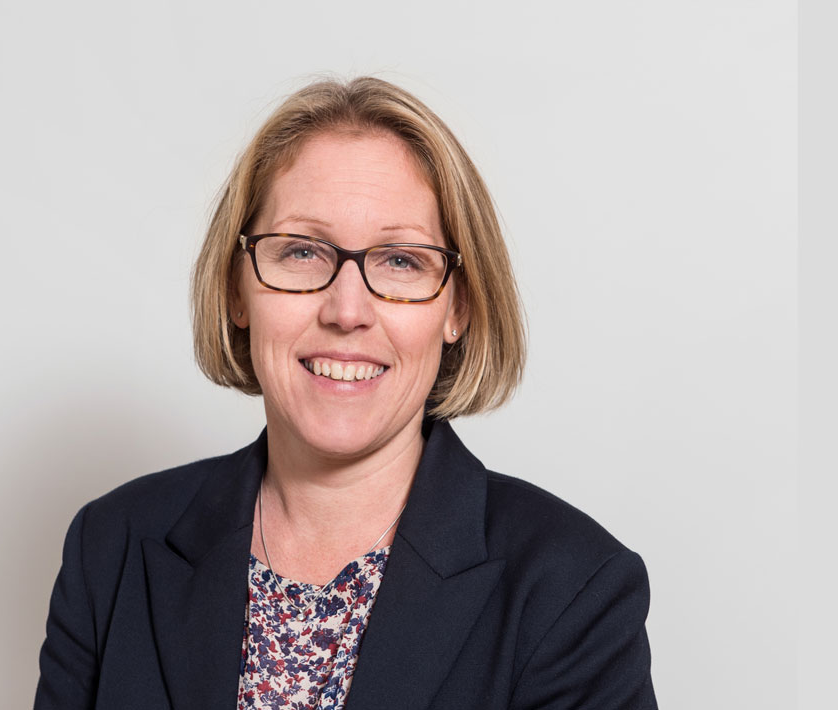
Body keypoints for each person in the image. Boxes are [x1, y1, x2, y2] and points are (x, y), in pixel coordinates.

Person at [35, 76, 657, 710]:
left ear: (458, 308)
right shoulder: (111, 546)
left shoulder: (573, 588)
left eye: (401, 260)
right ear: (235, 290)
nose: (347, 310)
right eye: (302, 251)